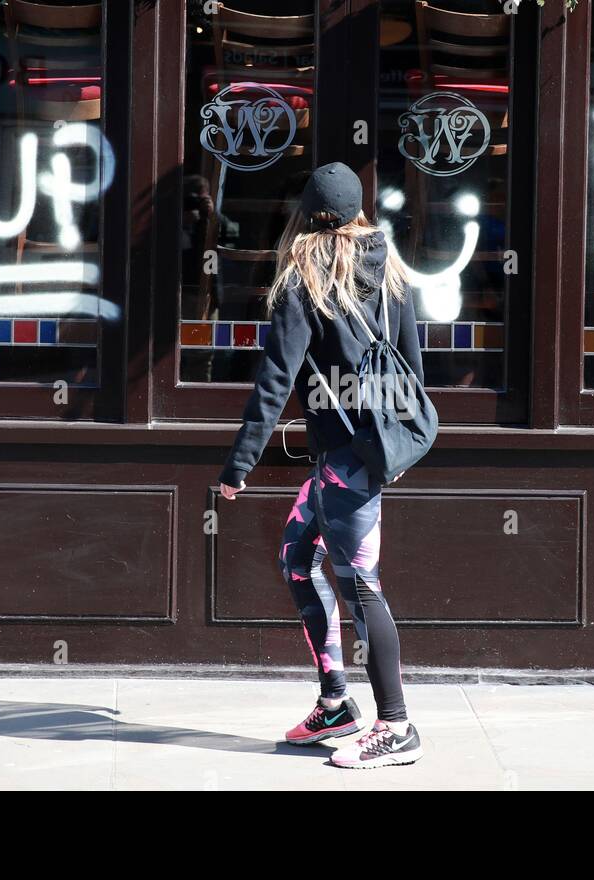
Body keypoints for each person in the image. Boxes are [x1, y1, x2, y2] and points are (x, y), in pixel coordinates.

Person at [218, 163, 425, 769]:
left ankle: (397, 726)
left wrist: (239, 464)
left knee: (363, 588)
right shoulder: (388, 267)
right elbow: (412, 366)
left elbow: (274, 379)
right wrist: (399, 439)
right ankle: (336, 701)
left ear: (305, 214)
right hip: (346, 458)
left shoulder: (303, 278)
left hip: (349, 462)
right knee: (295, 557)